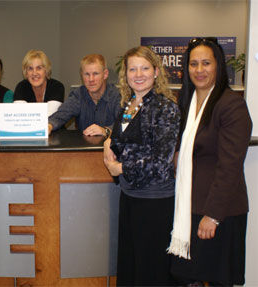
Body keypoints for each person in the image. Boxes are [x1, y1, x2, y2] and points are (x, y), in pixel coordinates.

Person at [168, 38, 252, 286]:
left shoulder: (231, 105)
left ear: (218, 65)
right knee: (186, 276)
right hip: (189, 209)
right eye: (193, 64)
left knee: (216, 279)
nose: (199, 70)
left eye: (206, 63)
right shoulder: (187, 104)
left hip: (217, 213)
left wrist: (212, 215)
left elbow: (230, 167)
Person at [103, 46, 180, 286]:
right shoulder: (128, 106)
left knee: (151, 270)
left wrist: (121, 169)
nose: (138, 74)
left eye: (145, 68)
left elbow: (160, 161)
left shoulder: (166, 108)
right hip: (130, 197)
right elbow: (121, 139)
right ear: (125, 74)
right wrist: (108, 141)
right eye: (132, 68)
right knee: (130, 265)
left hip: (155, 202)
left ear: (156, 72)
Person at [48, 54, 121, 136]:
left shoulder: (116, 96)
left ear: (105, 74)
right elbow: (61, 114)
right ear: (81, 75)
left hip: (110, 147)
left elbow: (124, 125)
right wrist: (49, 126)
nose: (91, 79)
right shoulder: (78, 95)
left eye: (95, 74)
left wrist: (106, 130)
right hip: (84, 147)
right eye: (87, 74)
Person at [13, 49, 64, 116]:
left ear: (46, 70)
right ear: (26, 72)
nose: (34, 73)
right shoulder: (21, 87)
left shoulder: (56, 87)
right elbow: (20, 115)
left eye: (39, 68)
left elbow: (50, 116)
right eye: (30, 68)